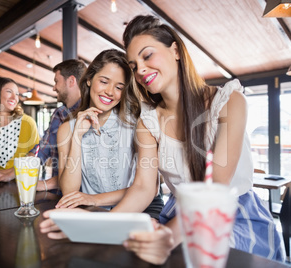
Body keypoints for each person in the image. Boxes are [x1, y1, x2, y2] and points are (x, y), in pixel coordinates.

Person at [41, 15, 285, 264]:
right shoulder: (148, 121)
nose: (141, 70)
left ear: (176, 50)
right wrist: (95, 226)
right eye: (134, 66)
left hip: (233, 218)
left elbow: (216, 191)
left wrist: (168, 235)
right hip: (177, 214)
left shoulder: (229, 102)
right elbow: (144, 188)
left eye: (147, 56)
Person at [55, 49, 164, 217]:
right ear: (89, 79)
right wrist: (77, 137)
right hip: (93, 212)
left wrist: (94, 199)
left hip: (139, 209)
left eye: (119, 87)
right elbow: (69, 191)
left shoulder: (138, 122)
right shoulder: (66, 129)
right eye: (104, 81)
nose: (110, 92)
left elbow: (150, 187)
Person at [28, 59, 86, 192]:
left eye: (56, 81)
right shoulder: (59, 113)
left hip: (81, 199)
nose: (54, 88)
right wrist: (18, 170)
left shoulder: (89, 114)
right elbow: (43, 149)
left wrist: (46, 184)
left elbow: (85, 169)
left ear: (71, 81)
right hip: (57, 197)